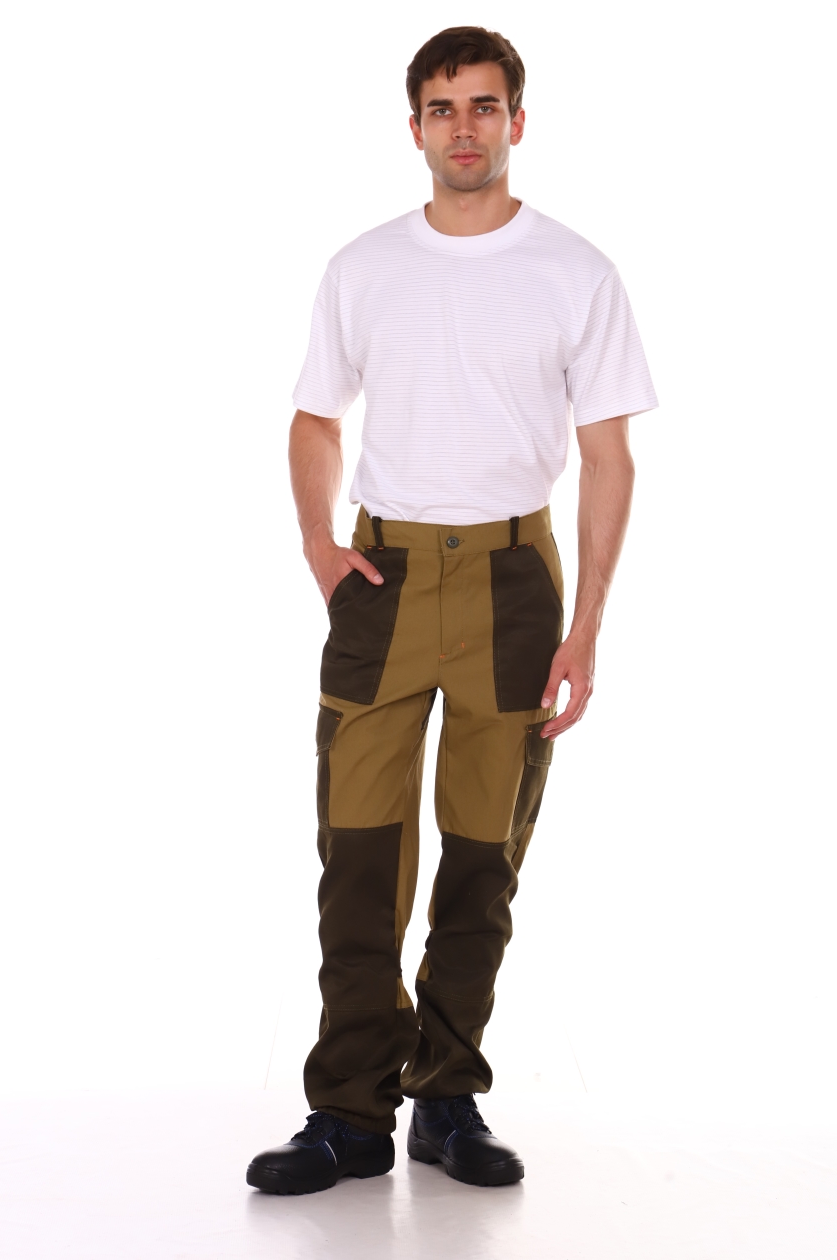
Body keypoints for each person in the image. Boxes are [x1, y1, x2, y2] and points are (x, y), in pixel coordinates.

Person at [247, 25, 657, 1195]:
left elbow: (608, 458)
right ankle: (348, 1114)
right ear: (415, 127)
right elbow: (315, 418)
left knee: (483, 858)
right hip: (380, 582)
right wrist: (319, 546)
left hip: (515, 588)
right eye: (442, 107)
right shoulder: (364, 267)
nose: (463, 128)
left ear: (516, 122)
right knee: (358, 855)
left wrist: (586, 629)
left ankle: (444, 1098)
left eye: (483, 106)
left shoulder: (576, 272)